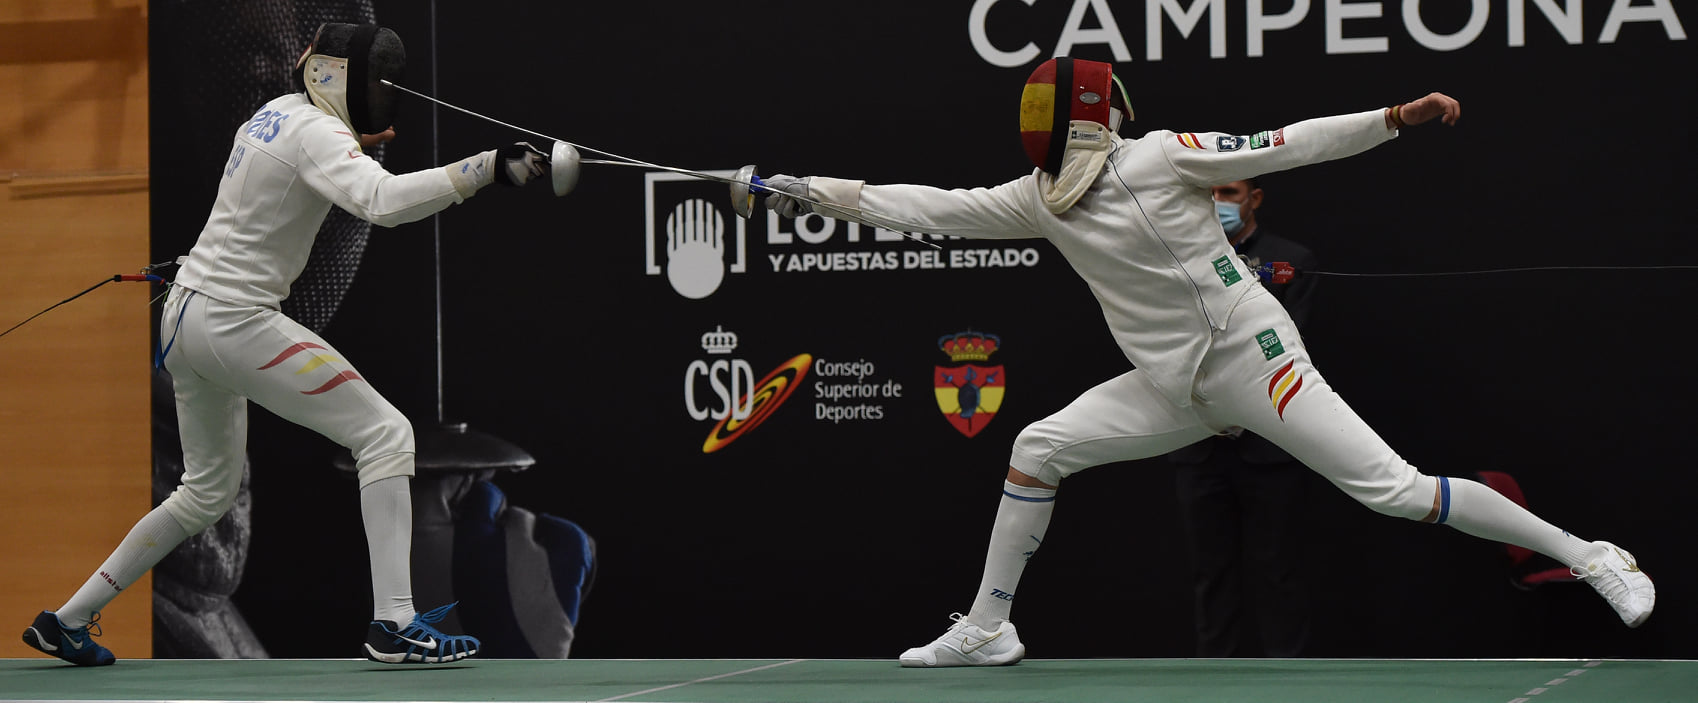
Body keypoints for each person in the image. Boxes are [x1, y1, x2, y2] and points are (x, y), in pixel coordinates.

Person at [758, 57, 1655, 667]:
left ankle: (1591, 555)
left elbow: (1286, 144)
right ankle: (988, 627)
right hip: (1167, 383)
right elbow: (929, 208)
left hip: (1252, 359)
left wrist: (1391, 119)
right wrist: (797, 189)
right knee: (1038, 446)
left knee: (1398, 491)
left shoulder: (1160, 160)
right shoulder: (1037, 199)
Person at [21, 22, 553, 666]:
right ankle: (395, 625)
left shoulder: (272, 115)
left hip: (186, 319)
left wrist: (350, 142)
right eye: (373, 79)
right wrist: (485, 168)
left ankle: (66, 621)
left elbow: (301, 170)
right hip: (235, 323)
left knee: (204, 494)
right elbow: (381, 203)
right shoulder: (318, 134)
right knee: (387, 435)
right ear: (336, 75)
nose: (382, 92)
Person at [1166, 177, 1317, 658]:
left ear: (1254, 199)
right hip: (1199, 442)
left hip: (1269, 443)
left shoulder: (1290, 261)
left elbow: (1290, 351)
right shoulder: (1174, 258)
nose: (1217, 203)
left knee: (1281, 571)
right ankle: (1214, 680)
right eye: (1209, 193)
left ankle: (1290, 681)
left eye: (1228, 193)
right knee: (1210, 574)